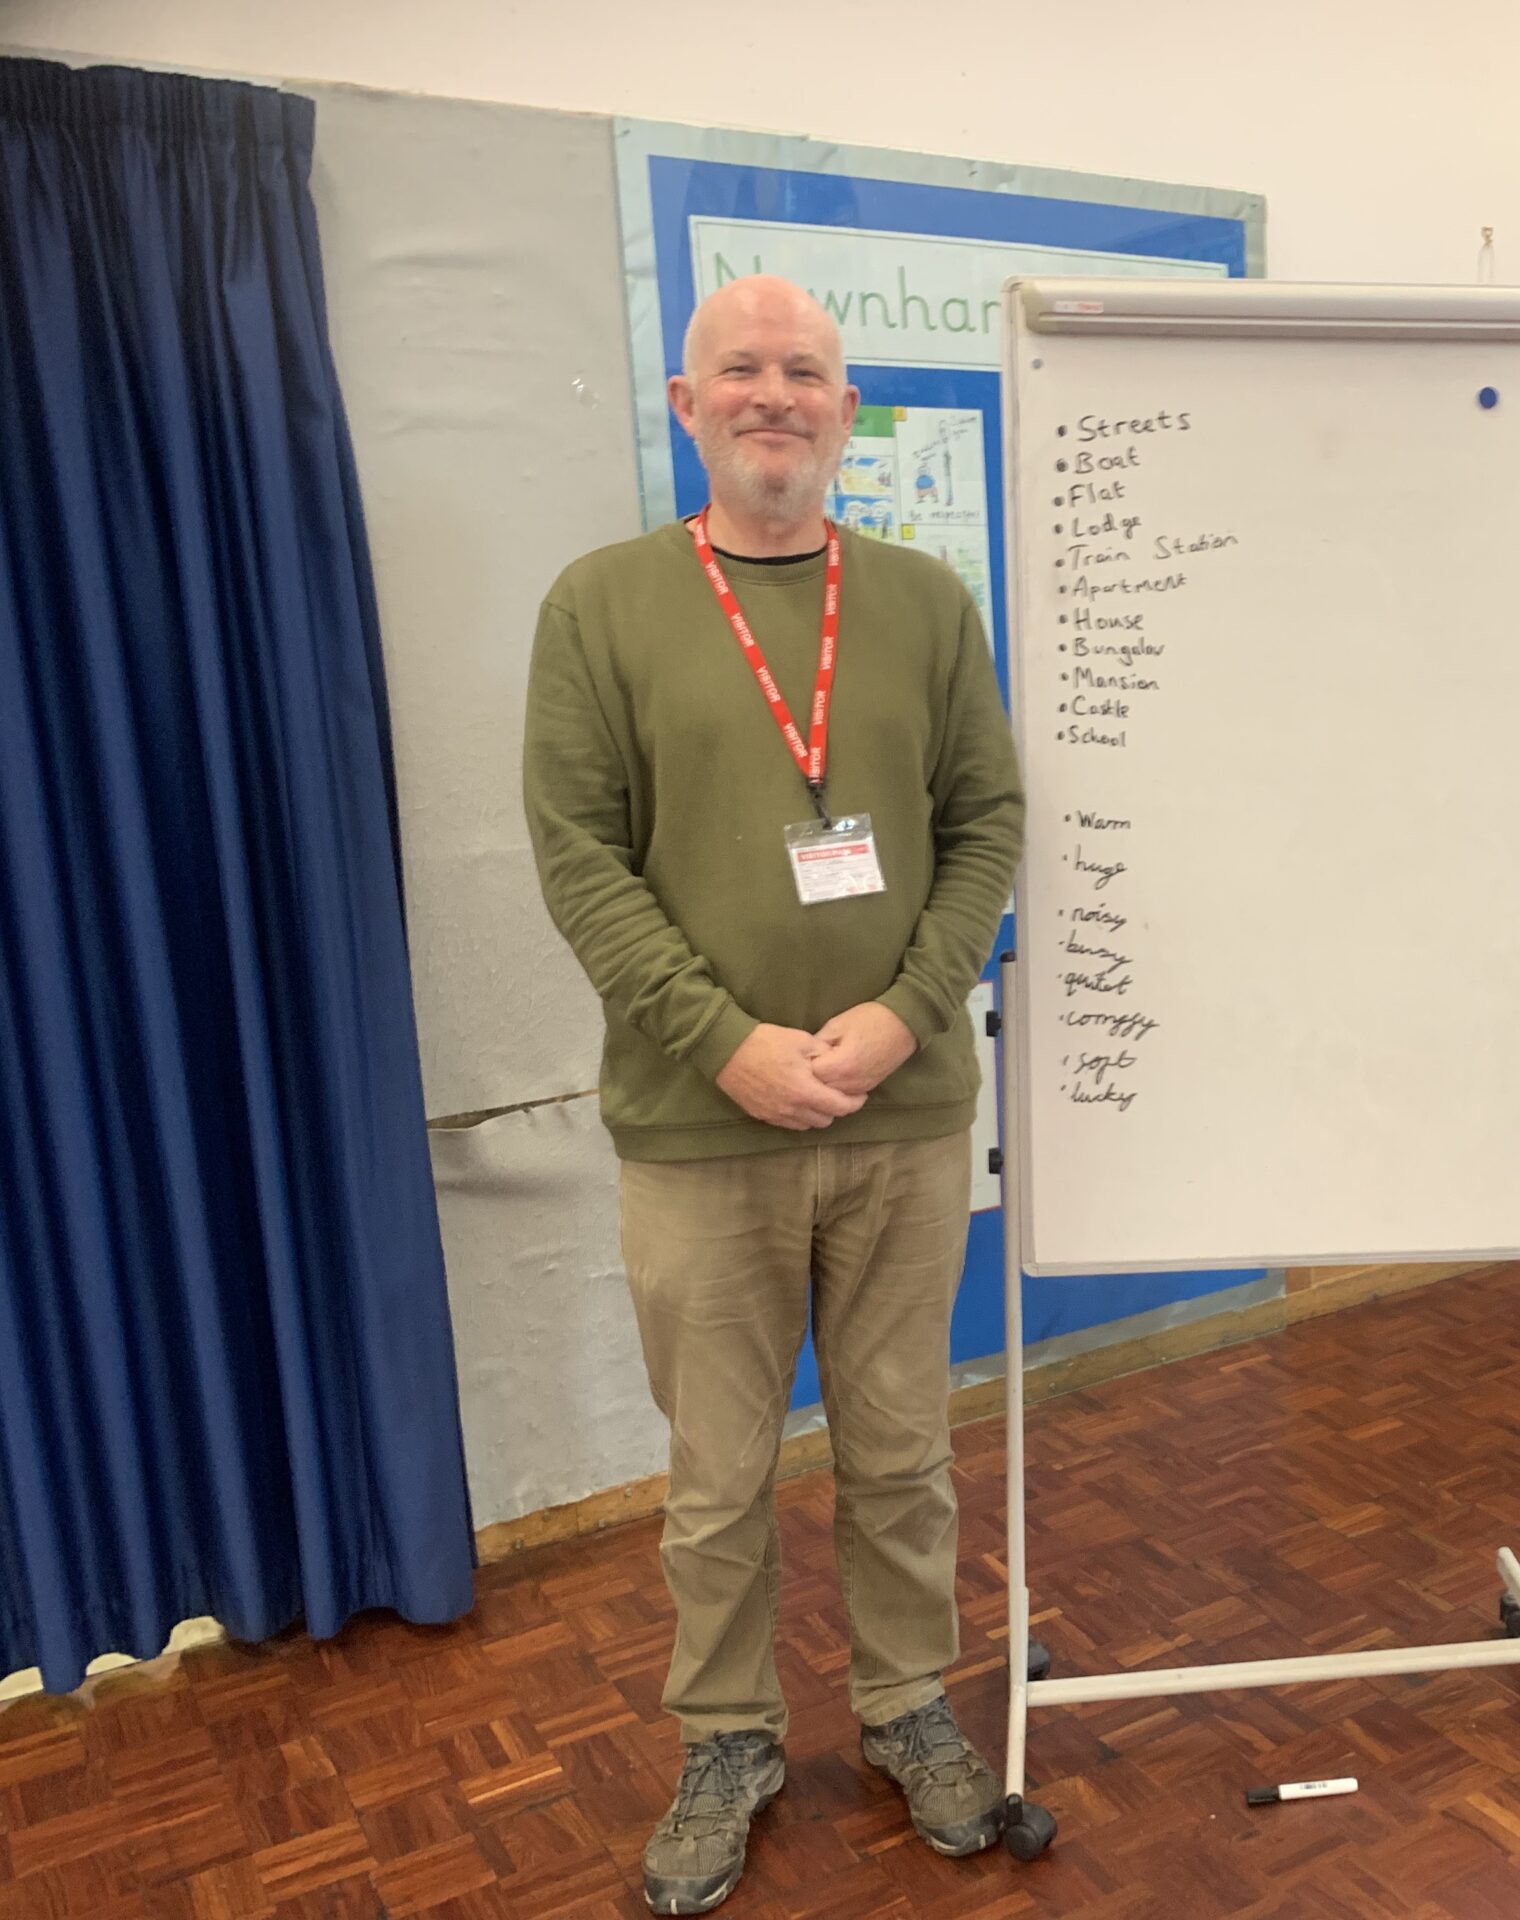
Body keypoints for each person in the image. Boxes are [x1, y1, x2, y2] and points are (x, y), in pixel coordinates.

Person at [523, 274, 1025, 1913]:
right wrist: (724, 1040)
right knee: (718, 1474)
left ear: (844, 407)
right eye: (738, 367)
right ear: (689, 407)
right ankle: (727, 1737)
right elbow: (579, 859)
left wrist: (898, 1016)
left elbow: (987, 828)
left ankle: (901, 1707)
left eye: (804, 369)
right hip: (697, 1125)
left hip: (903, 1113)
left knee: (901, 1454)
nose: (772, 393)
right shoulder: (599, 606)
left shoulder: (929, 604)